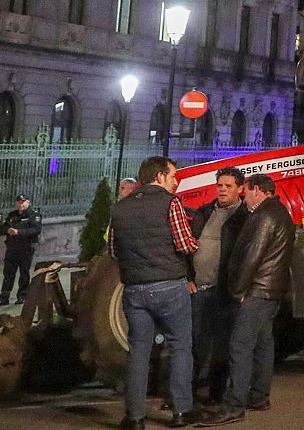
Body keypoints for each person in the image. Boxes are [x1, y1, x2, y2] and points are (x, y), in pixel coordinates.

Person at [112, 156, 199, 430]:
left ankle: (135, 417)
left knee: (138, 352)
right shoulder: (169, 202)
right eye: (173, 175)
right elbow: (186, 244)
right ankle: (181, 411)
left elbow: (114, 251)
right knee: (180, 348)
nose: (176, 181)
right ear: (160, 176)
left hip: (135, 289)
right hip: (169, 286)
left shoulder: (120, 208)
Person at [199, 175, 292, 426]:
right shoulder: (280, 212)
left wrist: (238, 291)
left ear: (258, 191)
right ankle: (259, 396)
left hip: (257, 292)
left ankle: (234, 404)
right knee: (263, 344)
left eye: (247, 192)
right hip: (271, 291)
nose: (244, 197)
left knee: (239, 346)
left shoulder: (263, 216)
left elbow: (252, 255)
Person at [188, 168, 247, 405]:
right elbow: (189, 247)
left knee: (222, 346)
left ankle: (216, 394)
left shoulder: (243, 217)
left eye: (228, 186)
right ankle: (186, 394)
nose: (222, 190)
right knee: (195, 344)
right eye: (220, 186)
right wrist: (188, 277)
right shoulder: (204, 212)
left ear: (240, 189)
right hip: (200, 290)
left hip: (225, 292)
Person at [0, 194, 42, 306]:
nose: (21, 204)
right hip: (12, 248)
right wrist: (7, 230)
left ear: (28, 202)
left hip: (26, 248)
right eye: (19, 202)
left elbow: (36, 229)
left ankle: (22, 296)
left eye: (23, 202)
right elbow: (3, 227)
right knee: (8, 273)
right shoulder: (12, 215)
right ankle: (4, 297)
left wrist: (19, 232)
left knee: (24, 272)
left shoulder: (33, 215)